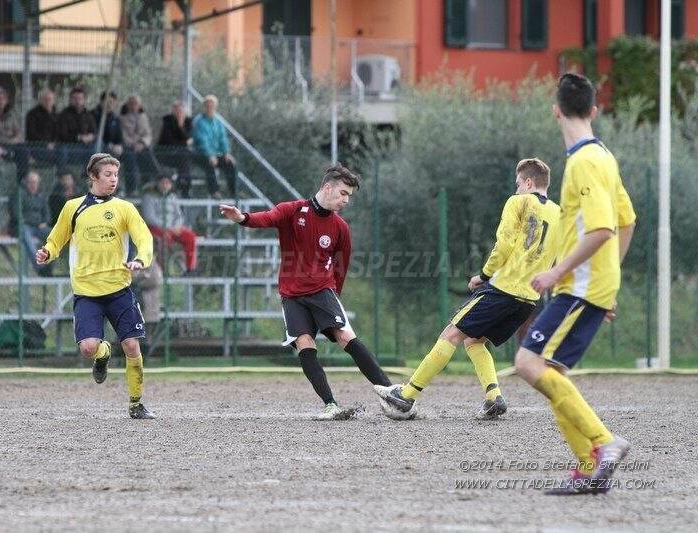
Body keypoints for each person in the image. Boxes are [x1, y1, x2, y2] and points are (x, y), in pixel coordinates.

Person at [513, 74, 636, 495]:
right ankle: (589, 470)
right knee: (553, 373)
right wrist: (611, 280)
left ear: (556, 111)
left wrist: (555, 271)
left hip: (579, 286)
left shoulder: (584, 161)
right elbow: (627, 221)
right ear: (594, 111)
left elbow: (602, 228)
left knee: (527, 364)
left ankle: (604, 443)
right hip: (594, 285)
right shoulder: (604, 155)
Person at [374, 158, 561, 421]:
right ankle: (494, 397)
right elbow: (557, 259)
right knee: (474, 340)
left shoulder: (518, 202)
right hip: (529, 298)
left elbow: (504, 245)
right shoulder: (558, 213)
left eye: (518, 184)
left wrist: (483, 276)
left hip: (504, 288)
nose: (517, 188)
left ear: (528, 182)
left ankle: (406, 396)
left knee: (451, 333)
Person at [218, 164, 393, 420]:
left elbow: (341, 267)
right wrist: (242, 218)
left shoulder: (340, 227)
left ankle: (390, 392)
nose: (346, 200)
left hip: (323, 291)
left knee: (345, 336)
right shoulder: (292, 210)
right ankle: (330, 405)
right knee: (304, 344)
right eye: (343, 193)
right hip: (292, 295)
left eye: (349, 196)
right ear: (327, 187)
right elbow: (266, 218)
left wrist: (334, 296)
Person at [36, 153, 155, 419]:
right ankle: (103, 353)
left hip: (119, 289)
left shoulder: (125, 209)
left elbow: (144, 239)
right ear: (93, 177)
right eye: (108, 175)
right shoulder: (73, 208)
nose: (113, 180)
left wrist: (140, 259)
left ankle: (136, 404)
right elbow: (56, 240)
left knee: (133, 346)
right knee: (88, 348)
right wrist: (47, 251)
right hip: (87, 292)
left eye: (116, 175)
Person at [141, 172, 197, 273]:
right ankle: (161, 272)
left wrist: (177, 226)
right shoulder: (149, 196)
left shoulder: (173, 197)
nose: (165, 185)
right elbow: (149, 217)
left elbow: (179, 216)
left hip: (173, 228)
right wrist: (167, 227)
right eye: (163, 182)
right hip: (156, 228)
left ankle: (190, 269)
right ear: (157, 183)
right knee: (165, 238)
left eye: (167, 183)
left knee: (190, 236)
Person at [192, 95, 238, 198]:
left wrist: (226, 153)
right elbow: (201, 140)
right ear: (204, 107)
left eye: (212, 106)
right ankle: (214, 192)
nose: (210, 108)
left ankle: (234, 192)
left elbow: (223, 138)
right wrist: (210, 155)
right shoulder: (199, 121)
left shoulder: (218, 122)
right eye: (208, 106)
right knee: (210, 165)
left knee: (230, 164)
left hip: (215, 154)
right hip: (201, 154)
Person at [11, 171, 52, 277]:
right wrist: (35, 222)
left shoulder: (41, 196)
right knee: (25, 232)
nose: (33, 185)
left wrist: (45, 222)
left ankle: (49, 266)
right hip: (24, 227)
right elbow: (17, 215)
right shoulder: (19, 194)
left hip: (40, 227)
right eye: (31, 182)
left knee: (55, 235)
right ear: (26, 183)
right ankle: (39, 266)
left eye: (36, 183)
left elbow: (47, 214)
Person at [119, 95, 156, 195]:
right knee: (130, 160)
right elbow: (123, 135)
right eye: (131, 104)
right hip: (128, 147)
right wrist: (134, 144)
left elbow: (148, 134)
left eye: (135, 104)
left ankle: (149, 183)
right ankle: (131, 189)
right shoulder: (122, 119)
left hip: (142, 146)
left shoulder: (144, 118)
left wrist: (142, 143)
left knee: (148, 156)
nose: (133, 106)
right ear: (127, 105)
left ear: (139, 105)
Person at [157, 100, 192, 196]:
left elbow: (189, 138)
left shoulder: (188, 122)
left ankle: (183, 183)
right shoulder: (167, 122)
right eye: (177, 111)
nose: (179, 113)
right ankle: (182, 182)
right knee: (185, 154)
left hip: (182, 155)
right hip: (167, 154)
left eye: (181, 111)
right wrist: (184, 141)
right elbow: (169, 141)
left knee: (186, 156)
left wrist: (181, 126)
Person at [56, 87, 96, 170]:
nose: (77, 101)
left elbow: (94, 131)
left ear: (84, 100)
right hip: (69, 146)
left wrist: (91, 136)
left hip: (85, 147)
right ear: (70, 100)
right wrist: (79, 137)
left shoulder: (88, 115)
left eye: (80, 98)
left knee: (96, 148)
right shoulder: (64, 115)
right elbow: (62, 135)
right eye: (75, 98)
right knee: (62, 150)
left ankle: (89, 176)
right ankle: (65, 176)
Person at [24, 89, 59, 171]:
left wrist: (54, 143)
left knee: (64, 153)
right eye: (45, 99)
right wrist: (46, 144)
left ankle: (66, 179)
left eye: (50, 99)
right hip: (37, 148)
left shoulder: (56, 115)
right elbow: (31, 134)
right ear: (40, 100)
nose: (48, 102)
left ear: (54, 101)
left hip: (55, 147)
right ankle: (66, 180)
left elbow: (59, 132)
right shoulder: (32, 114)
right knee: (60, 156)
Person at [92, 91, 123, 158]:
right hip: (97, 145)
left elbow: (119, 136)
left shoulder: (115, 118)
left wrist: (118, 144)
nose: (109, 105)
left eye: (111, 102)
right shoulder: (93, 115)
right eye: (107, 102)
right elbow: (95, 132)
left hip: (112, 147)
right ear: (101, 102)